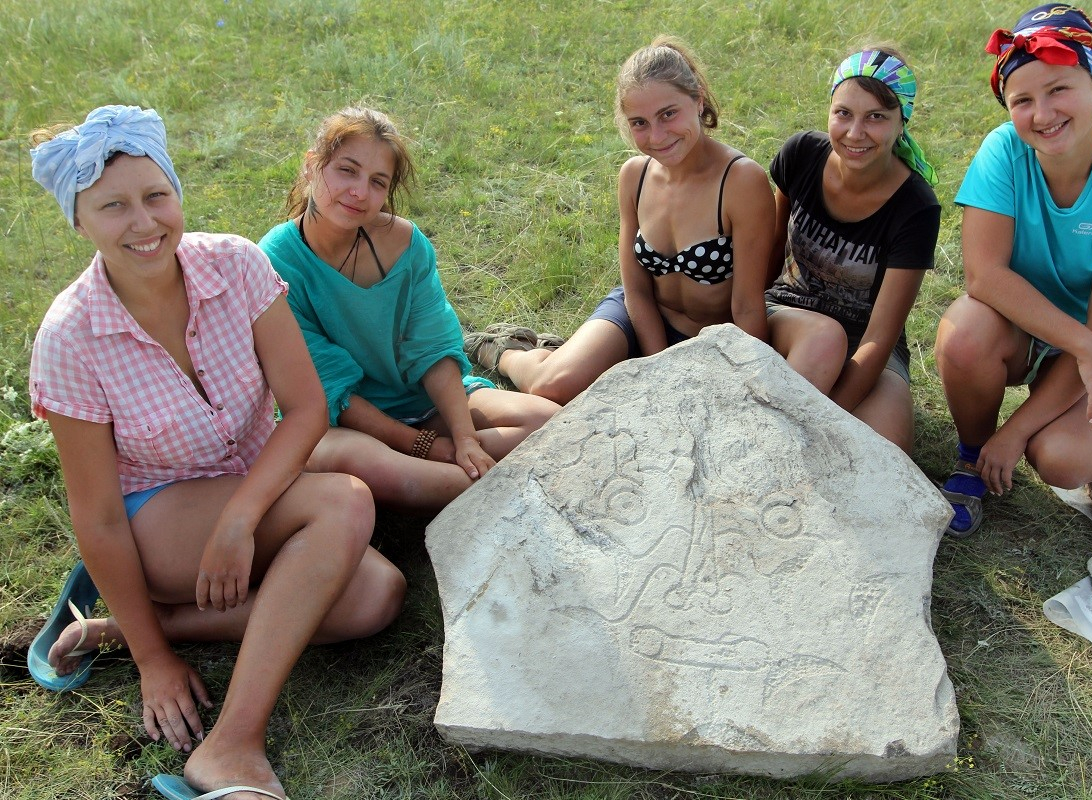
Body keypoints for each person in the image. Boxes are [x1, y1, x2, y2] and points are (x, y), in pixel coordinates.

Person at [26, 106, 406, 800]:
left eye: (156, 196)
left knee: (376, 596)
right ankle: (229, 746)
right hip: (156, 523)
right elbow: (98, 517)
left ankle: (134, 622)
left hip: (250, 498)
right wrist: (154, 662)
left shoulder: (235, 264)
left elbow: (307, 408)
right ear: (79, 222)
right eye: (114, 207)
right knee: (344, 500)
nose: (143, 223)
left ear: (176, 195)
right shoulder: (69, 336)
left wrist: (239, 521)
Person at [935, 4, 1092, 537]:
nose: (1042, 113)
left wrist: (1017, 432)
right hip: (1015, 320)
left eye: (1059, 89)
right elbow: (984, 277)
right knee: (963, 335)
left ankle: (1022, 432)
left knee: (1065, 461)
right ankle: (971, 456)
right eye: (1022, 100)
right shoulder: (1003, 150)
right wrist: (1087, 351)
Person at [258, 108, 560, 513]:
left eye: (376, 182)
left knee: (550, 421)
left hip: (422, 403)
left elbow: (433, 347)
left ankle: (462, 474)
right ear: (312, 166)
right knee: (386, 469)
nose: (359, 192)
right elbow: (329, 389)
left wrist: (464, 437)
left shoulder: (405, 244)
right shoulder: (272, 262)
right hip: (342, 423)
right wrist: (424, 446)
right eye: (346, 171)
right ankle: (462, 479)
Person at [463, 36, 775, 405]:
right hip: (642, 318)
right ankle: (505, 350)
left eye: (668, 114)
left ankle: (566, 350)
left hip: (713, 337)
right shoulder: (634, 176)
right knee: (552, 387)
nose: (657, 136)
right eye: (639, 122)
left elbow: (748, 308)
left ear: (698, 99)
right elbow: (637, 291)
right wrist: (658, 366)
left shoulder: (741, 181)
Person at [765, 47, 941, 453]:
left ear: (902, 124)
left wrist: (828, 413)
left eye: (876, 117)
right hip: (788, 317)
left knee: (884, 456)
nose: (855, 132)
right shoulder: (802, 155)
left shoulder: (916, 206)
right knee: (820, 347)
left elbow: (881, 335)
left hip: (865, 345)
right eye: (843, 113)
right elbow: (767, 257)